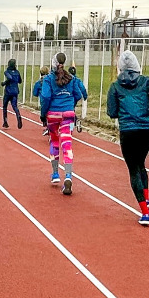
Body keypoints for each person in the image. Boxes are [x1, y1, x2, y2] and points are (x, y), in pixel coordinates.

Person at [106, 50, 149, 225]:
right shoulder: (146, 81)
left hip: (128, 131)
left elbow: (111, 112)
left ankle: (144, 212)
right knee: (141, 164)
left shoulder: (115, 86)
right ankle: (147, 200)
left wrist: (121, 110)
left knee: (133, 168)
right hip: (145, 130)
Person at [41, 52, 88, 195]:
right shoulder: (71, 78)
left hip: (53, 114)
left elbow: (46, 97)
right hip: (68, 114)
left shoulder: (48, 79)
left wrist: (44, 114)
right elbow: (78, 94)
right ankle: (68, 176)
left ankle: (55, 174)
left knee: (54, 142)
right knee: (67, 144)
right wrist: (69, 105)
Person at [1, 58, 24, 129]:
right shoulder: (17, 72)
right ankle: (18, 116)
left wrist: (4, 83)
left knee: (5, 106)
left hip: (8, 91)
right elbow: (20, 81)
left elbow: (10, 78)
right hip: (15, 91)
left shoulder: (7, 72)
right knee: (14, 106)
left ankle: (5, 122)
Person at [32, 65, 52, 135]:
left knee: (44, 114)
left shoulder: (39, 83)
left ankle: (48, 127)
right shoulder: (52, 81)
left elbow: (35, 93)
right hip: (53, 100)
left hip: (44, 100)